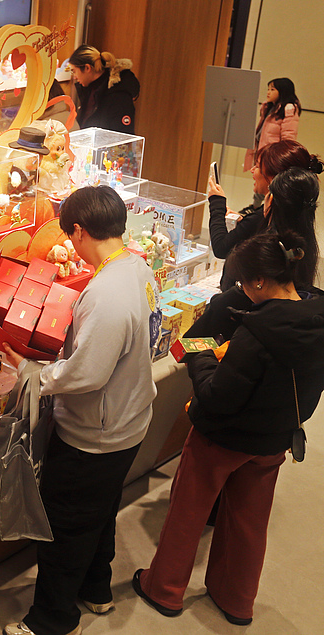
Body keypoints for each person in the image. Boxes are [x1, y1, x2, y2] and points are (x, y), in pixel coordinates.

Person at [134, 232, 324, 626]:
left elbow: (217, 396)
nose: (240, 291)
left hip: (222, 439)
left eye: (242, 283)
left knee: (188, 512)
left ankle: (164, 589)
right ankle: (236, 599)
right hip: (275, 440)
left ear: (259, 281)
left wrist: (201, 356)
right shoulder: (317, 317)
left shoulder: (257, 332)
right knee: (250, 523)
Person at [2, 185, 158, 635]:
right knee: (101, 512)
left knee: (65, 526)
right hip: (130, 420)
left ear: (79, 231)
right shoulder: (136, 267)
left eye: (70, 235)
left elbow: (87, 374)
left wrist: (34, 373)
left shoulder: (106, 294)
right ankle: (97, 589)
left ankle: (52, 619)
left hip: (97, 433)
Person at [192, 162, 321, 340]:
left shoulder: (262, 257)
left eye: (259, 164)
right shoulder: (305, 246)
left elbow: (191, 343)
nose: (252, 169)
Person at [206, 141, 321, 287]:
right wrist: (244, 222)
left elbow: (221, 247)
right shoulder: (298, 212)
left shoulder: (264, 217)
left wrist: (216, 203)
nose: (252, 170)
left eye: (258, 166)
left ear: (276, 177)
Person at [243, 78, 301, 207]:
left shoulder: (288, 108)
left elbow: (288, 137)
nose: (268, 92)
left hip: (273, 155)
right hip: (263, 152)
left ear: (282, 91)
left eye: (272, 89)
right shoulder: (268, 107)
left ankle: (261, 208)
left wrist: (280, 156)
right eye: (268, 89)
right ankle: (256, 207)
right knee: (261, 180)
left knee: (271, 182)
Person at [67, 45, 140, 134]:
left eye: (74, 71)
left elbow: (122, 138)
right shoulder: (89, 90)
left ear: (87, 68)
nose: (74, 77)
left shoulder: (118, 95)